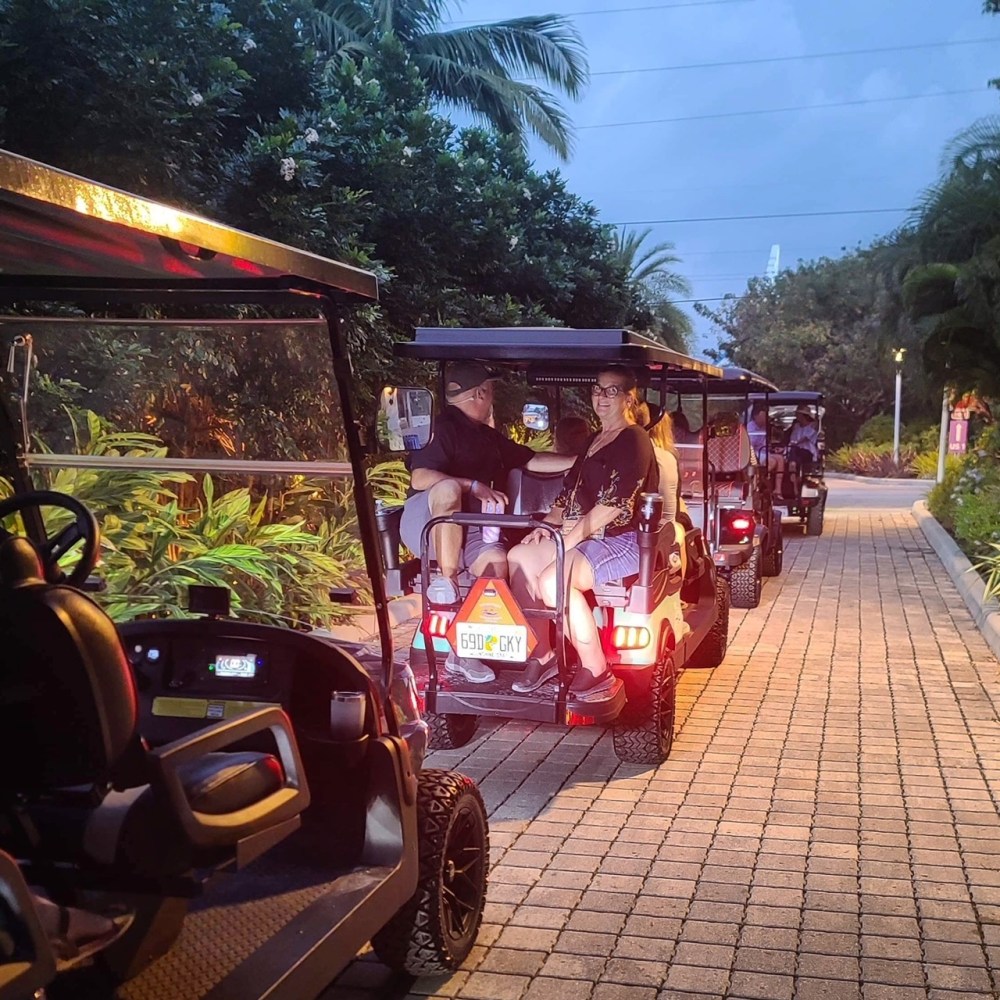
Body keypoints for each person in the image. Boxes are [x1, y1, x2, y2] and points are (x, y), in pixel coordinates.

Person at [400, 361, 575, 682]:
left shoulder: (488, 437)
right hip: (428, 523)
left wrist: (582, 462)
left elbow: (532, 458)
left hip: (474, 526)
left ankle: (462, 655)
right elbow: (421, 476)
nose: (492, 395)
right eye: (490, 389)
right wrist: (473, 485)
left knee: (497, 566)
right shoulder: (442, 428)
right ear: (480, 393)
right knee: (450, 486)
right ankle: (447, 580)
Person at [506, 366, 656, 694]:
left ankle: (596, 667)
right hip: (580, 536)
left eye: (611, 391)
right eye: (597, 390)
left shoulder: (634, 439)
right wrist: (548, 526)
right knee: (519, 557)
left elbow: (617, 502)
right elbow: (567, 492)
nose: (601, 397)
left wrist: (568, 539)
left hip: (620, 539)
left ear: (629, 398)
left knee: (552, 580)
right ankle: (542, 654)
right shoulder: (593, 439)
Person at [747, 402, 787, 496]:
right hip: (753, 453)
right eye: (763, 416)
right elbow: (750, 445)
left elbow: (764, 443)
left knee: (780, 458)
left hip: (764, 451)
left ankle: (778, 489)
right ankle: (758, 482)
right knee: (772, 461)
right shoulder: (750, 427)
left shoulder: (765, 427)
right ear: (756, 416)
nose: (765, 418)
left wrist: (772, 448)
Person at [786, 404, 819, 493]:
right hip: (795, 450)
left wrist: (796, 443)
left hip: (807, 451)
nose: (797, 417)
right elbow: (792, 439)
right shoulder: (796, 426)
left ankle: (793, 468)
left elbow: (804, 438)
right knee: (793, 452)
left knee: (797, 452)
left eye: (798, 415)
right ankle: (794, 486)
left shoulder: (812, 426)